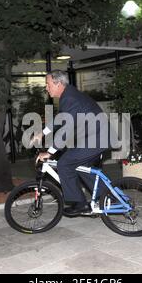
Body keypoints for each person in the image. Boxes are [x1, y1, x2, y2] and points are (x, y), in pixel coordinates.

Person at [33, 70, 108, 215]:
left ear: (58, 83)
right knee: (81, 166)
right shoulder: (68, 96)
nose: (46, 88)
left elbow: (66, 130)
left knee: (64, 163)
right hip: (95, 137)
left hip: (96, 139)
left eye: (48, 84)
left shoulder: (70, 98)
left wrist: (50, 152)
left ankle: (80, 204)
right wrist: (43, 132)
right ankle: (107, 197)